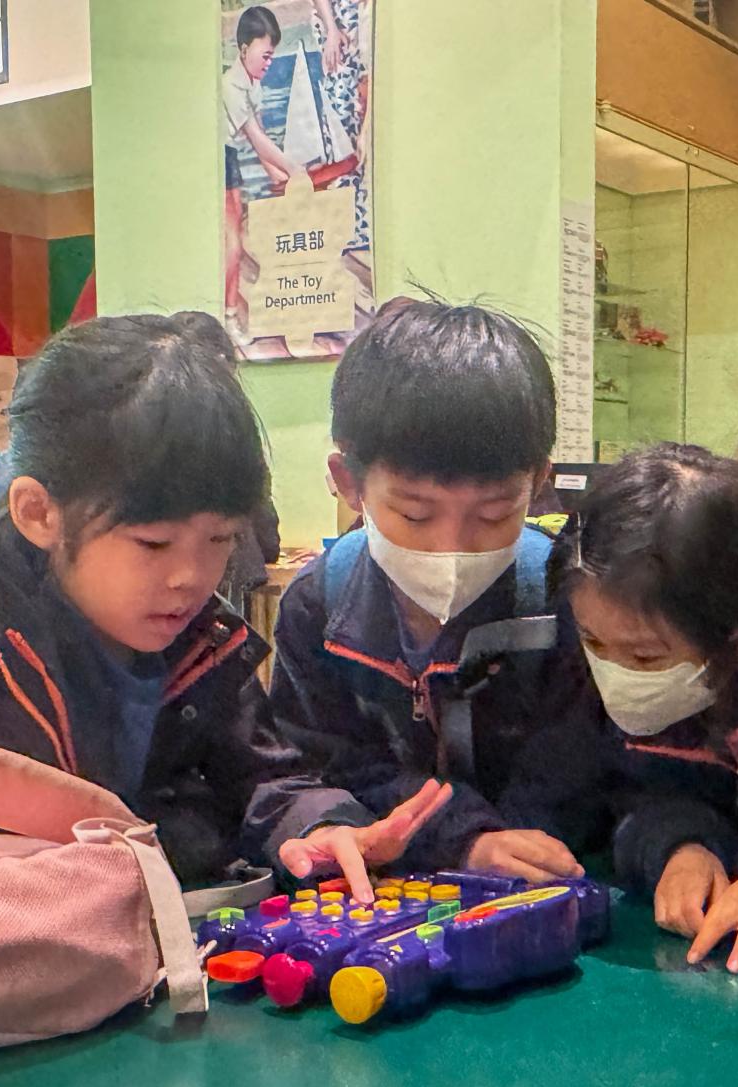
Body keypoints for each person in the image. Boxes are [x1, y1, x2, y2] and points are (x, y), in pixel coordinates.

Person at [0, 312, 445, 885]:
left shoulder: (197, 639)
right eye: (153, 544)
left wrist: (317, 825)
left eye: (219, 539)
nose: (190, 576)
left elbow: (262, 775)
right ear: (38, 514)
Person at [243, 299, 581, 898]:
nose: (452, 547)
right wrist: (458, 837)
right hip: (389, 890)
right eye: (415, 515)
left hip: (548, 881)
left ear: (537, 483)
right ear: (349, 483)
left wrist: (503, 838)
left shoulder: (562, 597)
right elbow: (315, 766)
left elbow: (576, 767)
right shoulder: (320, 605)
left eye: (494, 514)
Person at [500, 444, 738, 974]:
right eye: (593, 641)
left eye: (645, 656)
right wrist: (679, 846)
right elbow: (610, 797)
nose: (613, 671)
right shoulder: (577, 675)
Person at [223, 6, 294, 333]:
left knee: (236, 240)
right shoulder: (230, 87)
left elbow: (262, 138)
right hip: (217, 157)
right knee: (232, 244)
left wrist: (281, 177)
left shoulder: (254, 84)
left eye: (272, 56)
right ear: (243, 49)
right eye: (265, 56)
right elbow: (256, 138)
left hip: (230, 156)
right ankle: (228, 315)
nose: (268, 63)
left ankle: (230, 311)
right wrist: (296, 171)